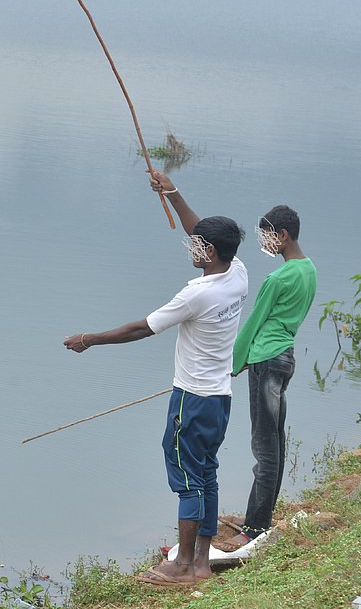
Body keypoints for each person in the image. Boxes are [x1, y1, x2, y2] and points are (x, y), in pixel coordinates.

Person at [63, 170, 247, 585]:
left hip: (191, 399)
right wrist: (173, 194)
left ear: (211, 251)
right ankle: (200, 562)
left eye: (198, 245)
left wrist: (89, 339)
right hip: (220, 397)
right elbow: (201, 230)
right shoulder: (237, 273)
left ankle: (182, 567)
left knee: (186, 478)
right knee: (207, 473)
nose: (191, 246)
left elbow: (141, 328)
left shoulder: (197, 294)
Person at [232, 205, 317, 544]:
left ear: (283, 235)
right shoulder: (308, 270)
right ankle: (260, 519)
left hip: (265, 360)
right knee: (275, 441)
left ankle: (254, 528)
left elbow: (254, 322)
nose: (264, 242)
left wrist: (234, 363)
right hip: (285, 358)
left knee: (264, 447)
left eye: (267, 236)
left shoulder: (277, 279)